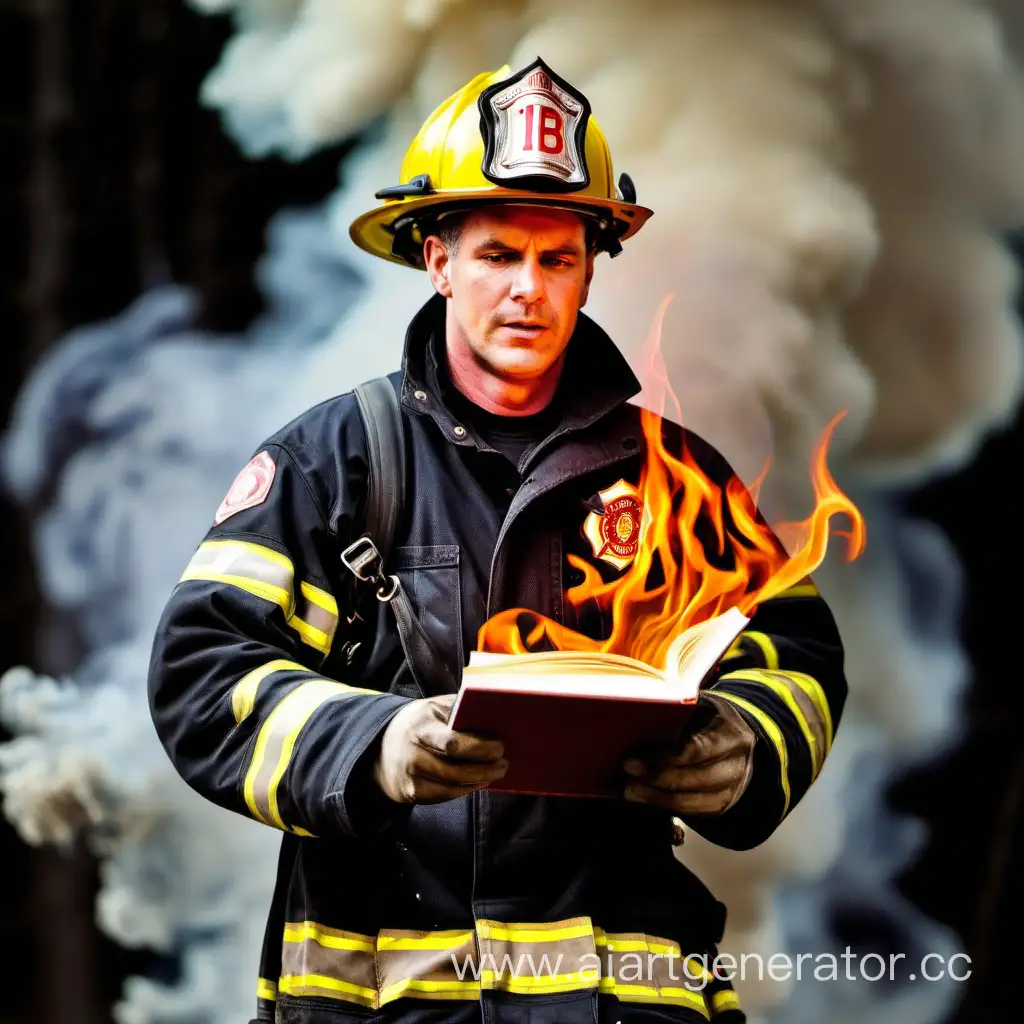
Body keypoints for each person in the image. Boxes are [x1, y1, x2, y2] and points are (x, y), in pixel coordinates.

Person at [148, 58, 847, 1024]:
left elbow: (795, 649)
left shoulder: (670, 476)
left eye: (557, 259)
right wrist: (374, 743)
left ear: (592, 266)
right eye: (496, 256)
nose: (528, 291)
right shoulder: (337, 462)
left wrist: (745, 742)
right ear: (437, 259)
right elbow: (202, 674)